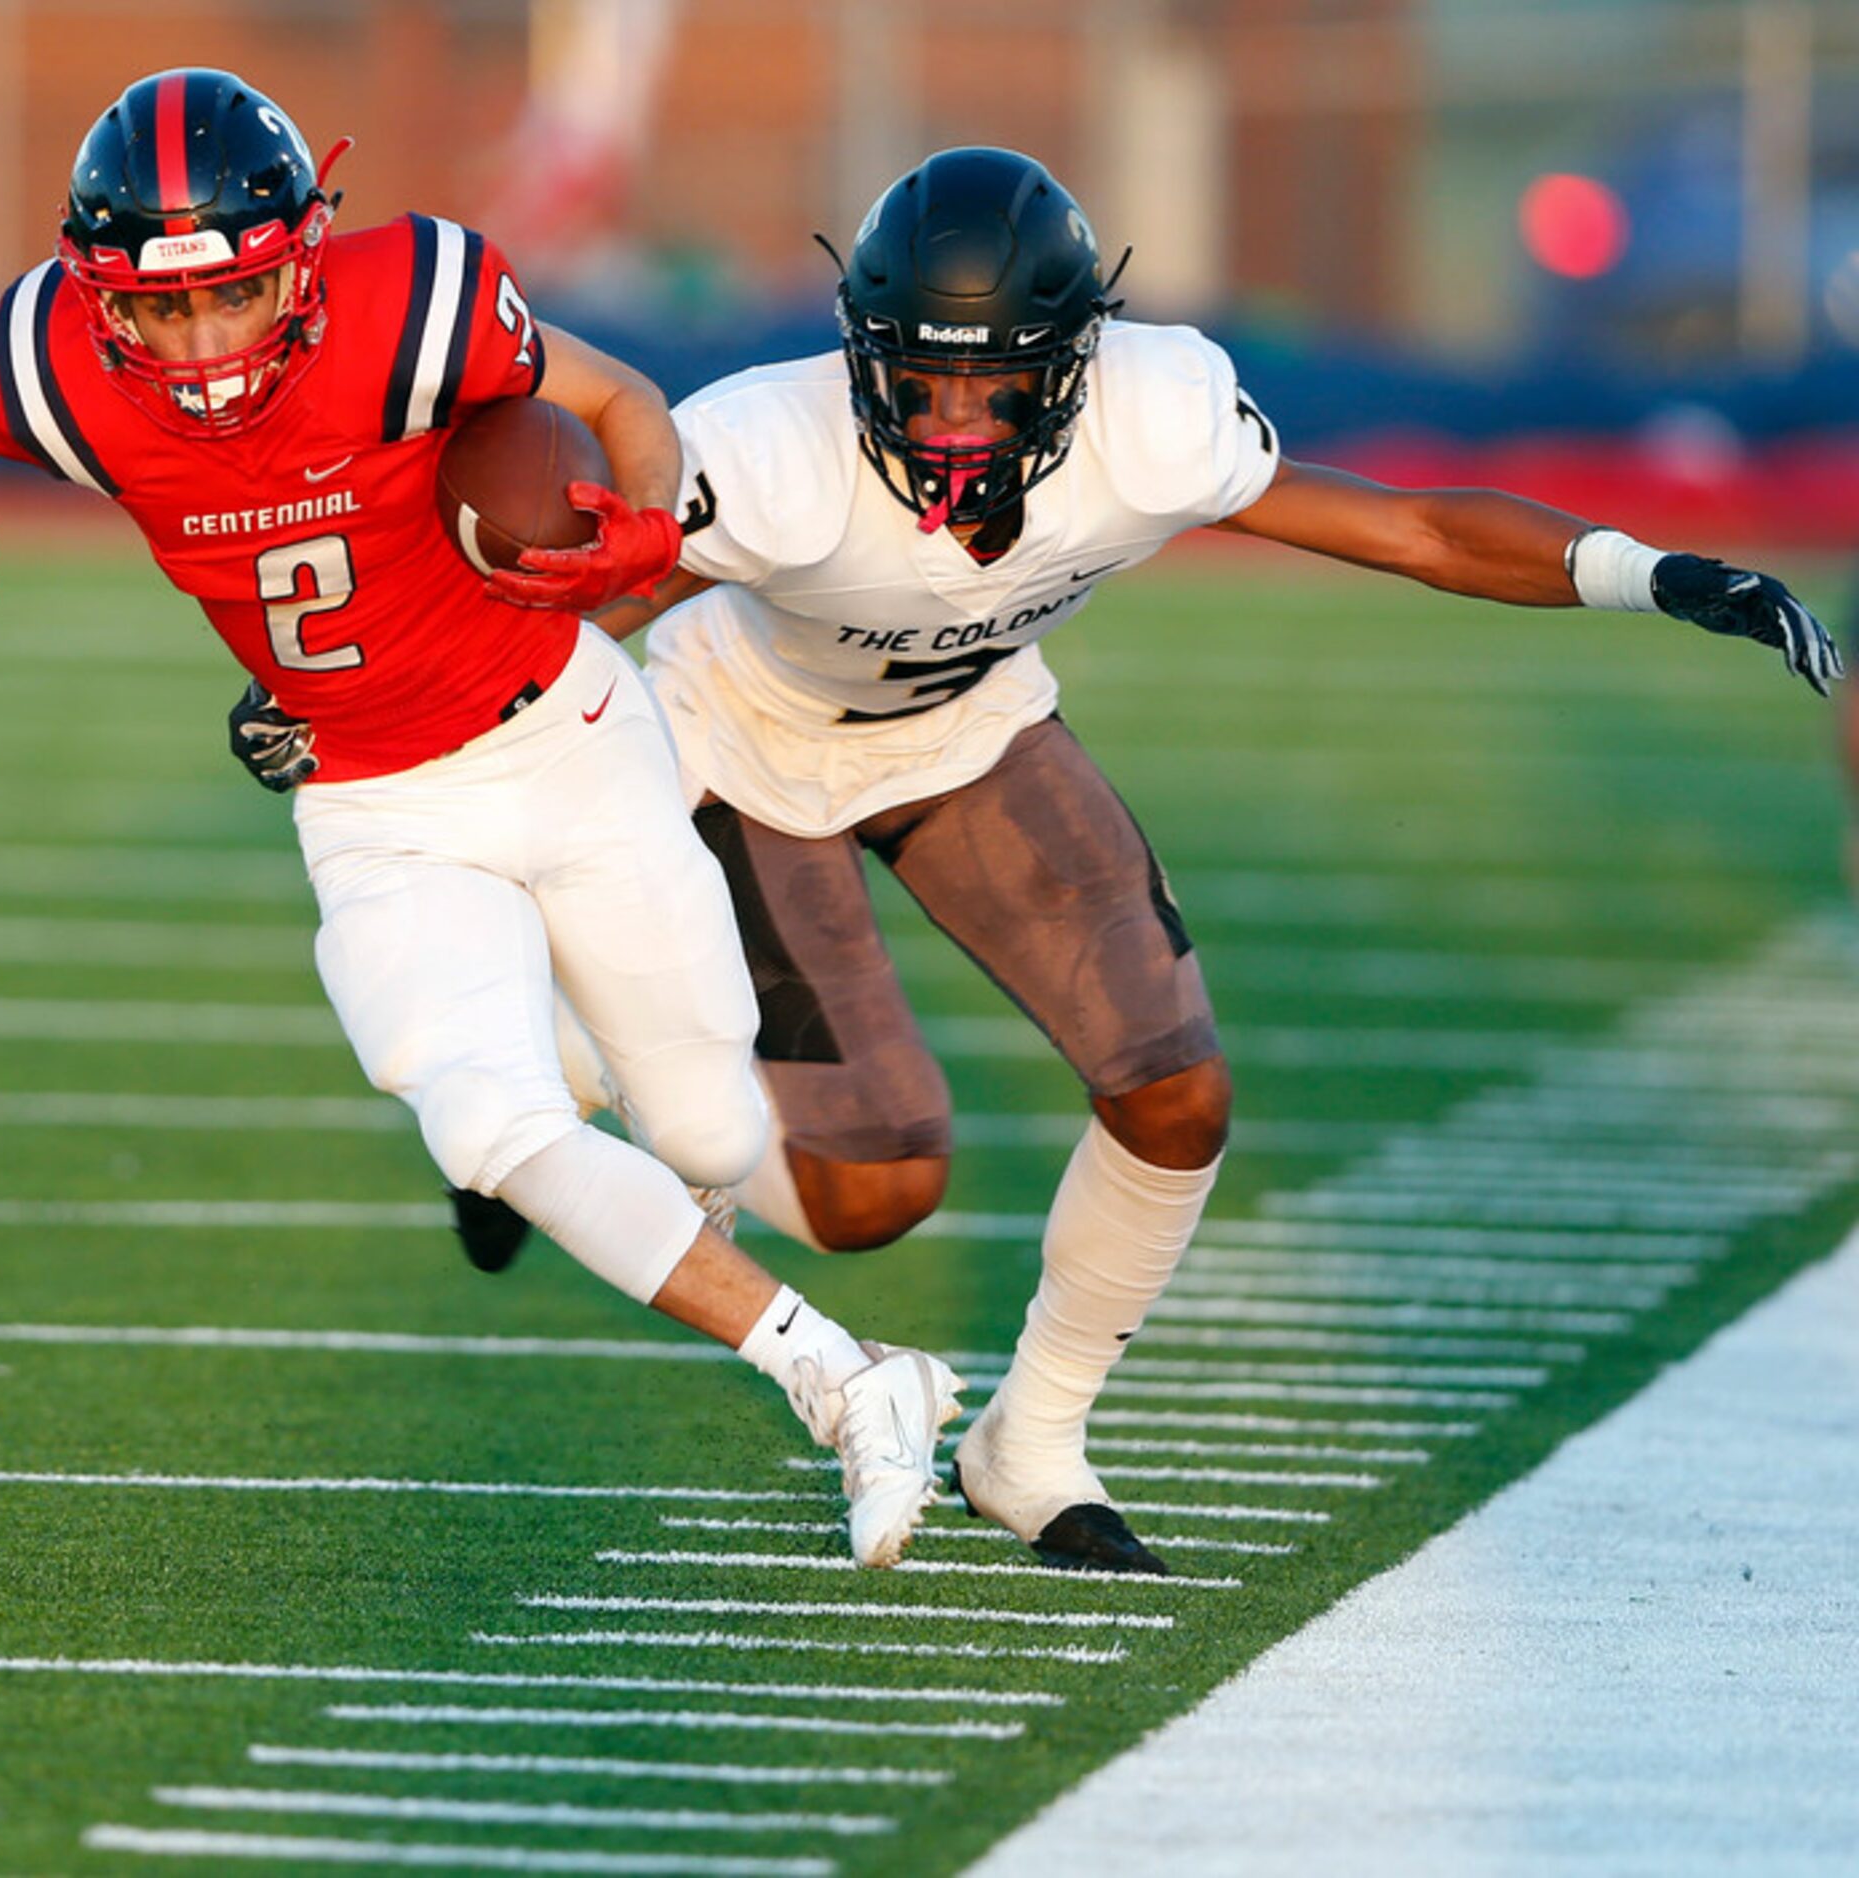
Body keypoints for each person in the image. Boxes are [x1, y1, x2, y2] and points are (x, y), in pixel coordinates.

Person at [232, 146, 1843, 1576]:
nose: (944, 420)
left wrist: (1650, 571)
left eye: (988, 384)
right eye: (913, 379)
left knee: (1175, 1089)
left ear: (1076, 365)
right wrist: (344, 691)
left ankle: (1033, 1441)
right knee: (874, 1193)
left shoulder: (1156, 414)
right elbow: (569, 603)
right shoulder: (766, 451)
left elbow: (1412, 527)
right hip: (742, 740)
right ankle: (584, 1079)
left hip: (972, 726)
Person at [0, 67, 961, 1570]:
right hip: (373, 800)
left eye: (231, 295)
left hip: (568, 737)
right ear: (100, 296)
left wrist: (641, 523)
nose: (199, 340)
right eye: (159, 311)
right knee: (490, 1125)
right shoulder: (60, 355)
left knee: (703, 1124)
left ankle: (560, 1042)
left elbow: (619, 399)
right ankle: (851, 1379)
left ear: (301, 256)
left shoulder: (412, 305)